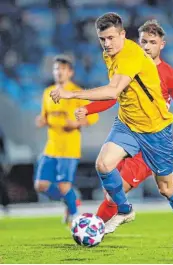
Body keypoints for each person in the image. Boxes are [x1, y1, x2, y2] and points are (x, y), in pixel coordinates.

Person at [50, 13, 173, 249]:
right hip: (127, 124)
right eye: (102, 39)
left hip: (155, 131)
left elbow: (113, 90)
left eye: (110, 38)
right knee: (104, 164)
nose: (106, 44)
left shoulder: (131, 56)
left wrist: (73, 94)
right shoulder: (111, 54)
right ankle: (125, 210)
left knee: (166, 188)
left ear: (123, 35)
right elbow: (118, 95)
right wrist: (88, 108)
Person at [35, 55, 99, 224]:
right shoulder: (47, 93)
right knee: (40, 185)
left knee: (64, 186)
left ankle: (75, 213)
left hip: (69, 148)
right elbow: (45, 116)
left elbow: (93, 116)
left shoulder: (76, 93)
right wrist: (41, 121)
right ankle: (71, 198)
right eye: (56, 69)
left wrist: (78, 122)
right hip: (51, 147)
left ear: (70, 72)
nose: (59, 72)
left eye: (63, 69)